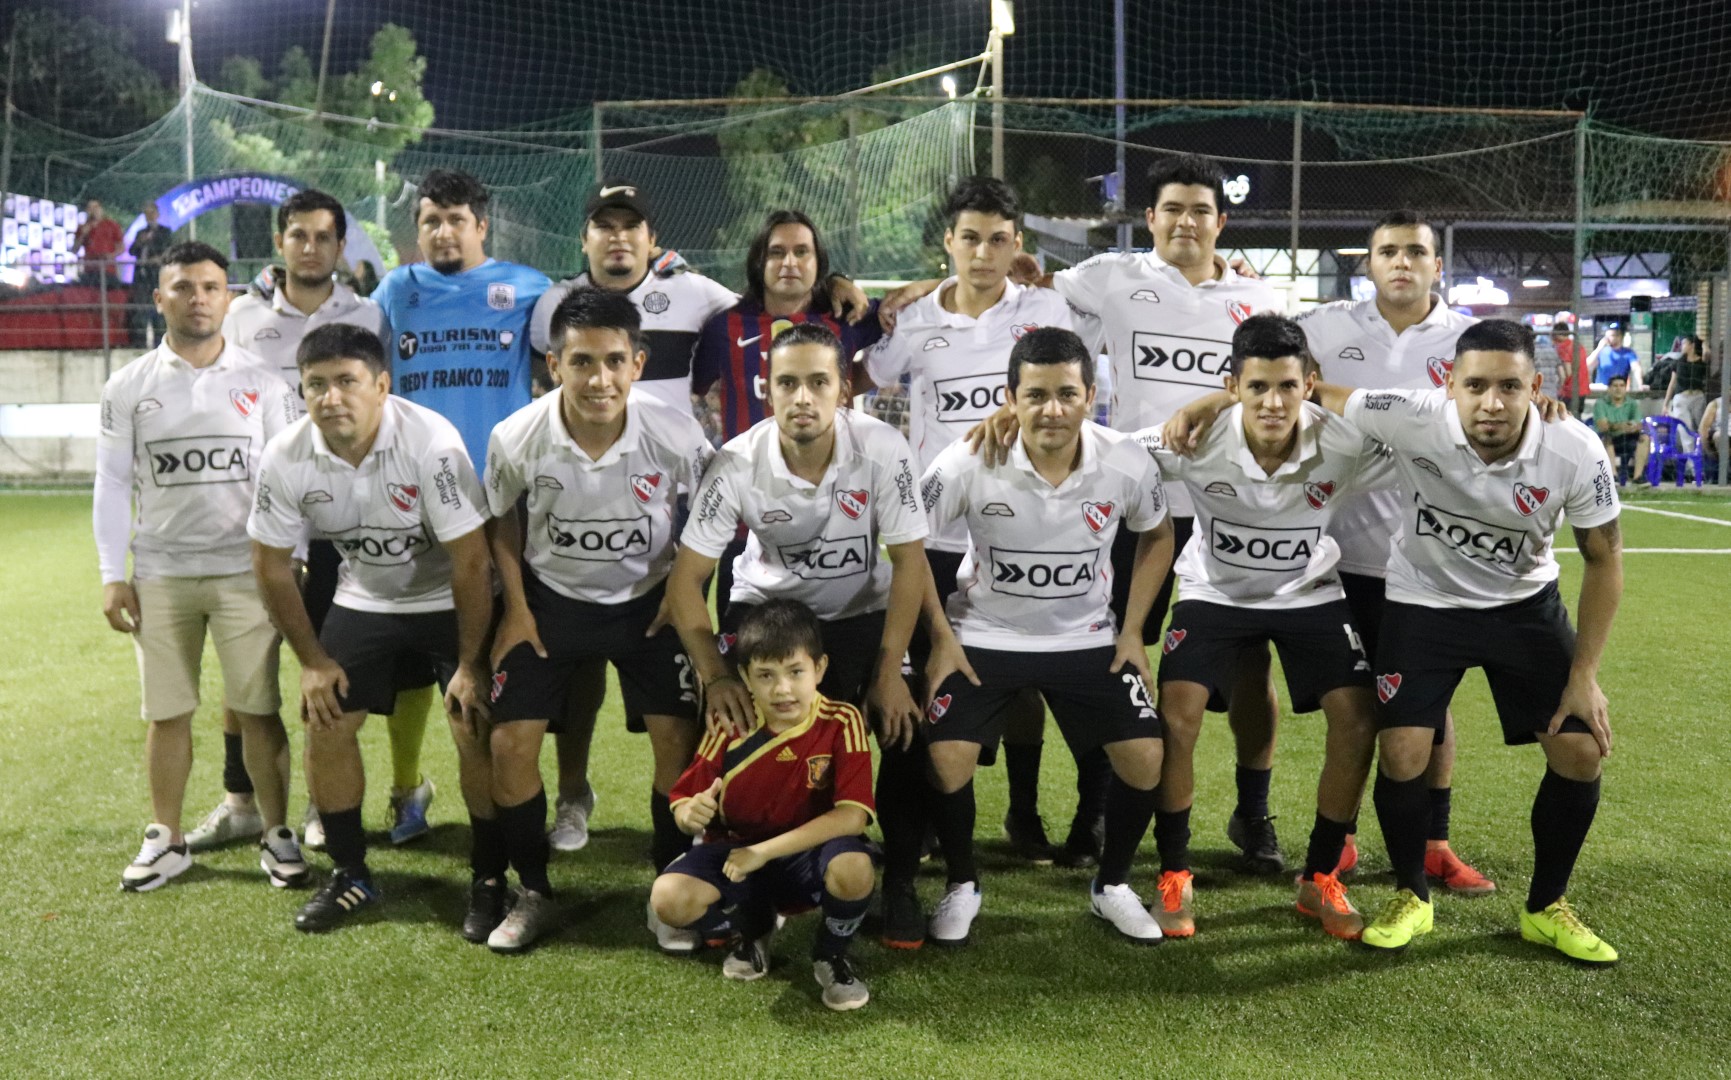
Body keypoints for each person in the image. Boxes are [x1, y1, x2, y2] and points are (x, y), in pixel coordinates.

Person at [949, 154, 1290, 875]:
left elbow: (1285, 379)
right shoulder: (1108, 276)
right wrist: (929, 289)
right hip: (1131, 506)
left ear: (1221, 222)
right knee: (1106, 651)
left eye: (1200, 210)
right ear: (1151, 218)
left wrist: (1214, 400)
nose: (1186, 222)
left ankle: (1253, 811)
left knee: (1249, 662)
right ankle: (1095, 812)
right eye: (1173, 209)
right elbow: (1011, 285)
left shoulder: (1259, 299)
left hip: (1231, 509)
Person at [1306, 319, 1623, 964]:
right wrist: (1210, 404)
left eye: (1510, 387)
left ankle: (1545, 907)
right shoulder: (1411, 414)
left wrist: (1584, 675)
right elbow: (1318, 392)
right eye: (1475, 385)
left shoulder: (1575, 449)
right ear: (1449, 384)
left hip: (1523, 607)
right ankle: (1411, 894)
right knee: (1402, 750)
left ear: (1536, 388)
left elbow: (1604, 559)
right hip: (1424, 604)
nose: (1492, 402)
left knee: (1581, 751)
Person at [667, 321, 942, 952]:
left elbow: (909, 563)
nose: (803, 397)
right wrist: (716, 675)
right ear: (767, 390)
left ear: (843, 389)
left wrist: (889, 672)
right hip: (767, 611)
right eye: (788, 383)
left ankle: (898, 879)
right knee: (738, 724)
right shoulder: (736, 460)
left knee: (903, 727)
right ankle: (735, 871)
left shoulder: (883, 448)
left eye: (819, 382)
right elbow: (686, 584)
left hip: (859, 612)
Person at [918, 326, 1174, 944]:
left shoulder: (1125, 461)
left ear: (1091, 397)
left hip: (1087, 638)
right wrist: (942, 637)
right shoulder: (964, 461)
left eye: (1066, 394)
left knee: (1146, 754)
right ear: (1010, 398)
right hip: (985, 634)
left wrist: (1132, 630)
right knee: (945, 757)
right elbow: (907, 544)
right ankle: (962, 883)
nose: (1051, 410)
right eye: (1035, 395)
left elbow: (1159, 535)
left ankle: (1112, 885)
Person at [1138, 315, 1390, 940]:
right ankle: (1174, 874)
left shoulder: (1344, 442)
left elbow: (1437, 435)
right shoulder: (1193, 437)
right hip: (1215, 592)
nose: (1273, 403)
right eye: (1256, 388)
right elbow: (1100, 451)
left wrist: (1542, 414)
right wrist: (1011, 422)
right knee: (1177, 714)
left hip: (1309, 592)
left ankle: (1321, 877)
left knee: (1359, 717)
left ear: (1310, 384)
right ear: (1232, 387)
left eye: (1286, 386)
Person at [478, 287, 712, 953]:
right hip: (550, 604)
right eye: (581, 362)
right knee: (509, 744)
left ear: (637, 363)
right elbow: (500, 517)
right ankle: (532, 890)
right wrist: (516, 607)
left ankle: (670, 886)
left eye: (613, 361)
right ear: (555, 365)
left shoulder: (675, 431)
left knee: (677, 738)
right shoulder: (516, 435)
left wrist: (682, 588)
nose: (599, 379)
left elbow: (712, 507)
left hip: (648, 602)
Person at [863, 177, 1084, 873]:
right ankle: (928, 818)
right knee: (928, 668)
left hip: (1022, 523)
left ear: (1016, 245)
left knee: (1022, 675)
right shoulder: (916, 321)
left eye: (997, 240)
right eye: (970, 239)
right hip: (935, 531)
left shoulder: (1046, 308)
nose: (983, 253)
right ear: (949, 243)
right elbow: (872, 375)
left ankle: (1023, 811)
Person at [248, 323, 496, 934]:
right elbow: (270, 566)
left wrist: (470, 665)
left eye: (347, 382)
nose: (331, 397)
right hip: (366, 598)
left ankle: (491, 877)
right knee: (326, 720)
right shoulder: (285, 455)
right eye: (316, 385)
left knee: (473, 724)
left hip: (447, 597)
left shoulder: (431, 442)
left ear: (382, 386)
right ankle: (350, 873)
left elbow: (471, 562)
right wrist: (312, 662)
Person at [217, 189, 432, 854]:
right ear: (279, 243)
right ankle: (246, 797)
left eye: (322, 237)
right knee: (258, 661)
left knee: (376, 663)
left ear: (341, 247)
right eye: (298, 235)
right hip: (270, 517)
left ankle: (389, 790)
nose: (309, 248)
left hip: (350, 519)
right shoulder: (242, 315)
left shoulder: (367, 313)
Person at [1286, 210, 1495, 894]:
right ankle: (1341, 839)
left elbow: (1514, 397)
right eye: (1387, 251)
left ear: (1437, 264)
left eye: (1415, 251)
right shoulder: (1323, 328)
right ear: (1368, 263)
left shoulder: (1469, 340)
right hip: (1341, 556)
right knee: (1352, 709)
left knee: (1429, 708)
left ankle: (1434, 843)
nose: (1401, 262)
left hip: (1432, 560)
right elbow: (1256, 358)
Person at [94, 240, 304, 892]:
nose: (198, 299)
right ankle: (167, 837)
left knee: (258, 708)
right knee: (167, 713)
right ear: (160, 299)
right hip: (160, 575)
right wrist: (112, 573)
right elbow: (112, 482)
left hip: (245, 573)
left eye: (211, 287)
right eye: (183, 287)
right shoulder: (128, 386)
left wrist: (292, 558)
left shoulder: (263, 383)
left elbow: (288, 478)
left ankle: (276, 832)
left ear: (227, 297)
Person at [369, 169, 552, 843]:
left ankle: (518, 806)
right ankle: (407, 790)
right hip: (409, 504)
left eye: (455, 220)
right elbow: (347, 346)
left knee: (499, 667)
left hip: (497, 508)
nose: (443, 232)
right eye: (430, 221)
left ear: (481, 226)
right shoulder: (396, 290)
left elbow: (593, 325)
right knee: (410, 668)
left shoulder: (527, 288)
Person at [650, 600, 879, 1011]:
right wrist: (688, 813)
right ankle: (754, 929)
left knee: (855, 867)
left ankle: (831, 954)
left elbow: (853, 816)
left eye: (796, 672)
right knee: (669, 899)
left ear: (820, 669)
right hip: (738, 851)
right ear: (745, 677)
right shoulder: (732, 723)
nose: (782, 689)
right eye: (766, 675)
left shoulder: (842, 721)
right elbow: (684, 801)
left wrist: (763, 852)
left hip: (809, 853)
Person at [126, 203, 172, 347]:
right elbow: (131, 251)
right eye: (147, 214)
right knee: (141, 310)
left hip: (156, 276)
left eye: (151, 213)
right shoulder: (141, 233)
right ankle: (140, 342)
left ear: (157, 214)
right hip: (141, 277)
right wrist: (140, 242)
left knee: (158, 311)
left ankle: (160, 342)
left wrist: (158, 259)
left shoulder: (165, 232)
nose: (149, 216)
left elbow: (169, 250)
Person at [1593, 374, 1647, 485]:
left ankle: (1638, 477)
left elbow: (1638, 425)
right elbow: (1603, 426)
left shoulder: (1632, 403)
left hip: (1627, 438)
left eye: (1622, 386)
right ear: (1609, 388)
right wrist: (1623, 425)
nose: (1618, 389)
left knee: (1644, 438)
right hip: (1609, 438)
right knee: (1607, 438)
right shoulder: (1601, 403)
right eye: (1615, 386)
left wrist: (1624, 426)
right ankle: (1613, 476)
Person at [75, 199, 125, 287]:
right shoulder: (83, 227)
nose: (93, 210)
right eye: (90, 208)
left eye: (96, 207)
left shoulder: (111, 225)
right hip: (90, 269)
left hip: (108, 269)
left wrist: (111, 256)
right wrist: (82, 235)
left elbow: (122, 247)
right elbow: (74, 250)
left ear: (101, 209)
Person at [1664, 335, 1710, 431]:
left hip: (1697, 398)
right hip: (1681, 397)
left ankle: (1700, 441)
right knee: (1684, 427)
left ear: (1692, 345)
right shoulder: (1678, 362)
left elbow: (1707, 354)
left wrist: (1704, 344)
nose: (1682, 346)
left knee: (1701, 427)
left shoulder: (1701, 362)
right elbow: (1672, 384)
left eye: (1684, 343)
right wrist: (1665, 404)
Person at [1551, 319, 1591, 415]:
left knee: (1564, 418)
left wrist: (1559, 388)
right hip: (1582, 389)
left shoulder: (1562, 347)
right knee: (1577, 418)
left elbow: (1567, 373)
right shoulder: (1578, 346)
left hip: (1568, 391)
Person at [1587, 323, 1641, 390]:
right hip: (1602, 389)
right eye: (1606, 336)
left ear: (1620, 337)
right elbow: (1588, 366)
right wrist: (1599, 348)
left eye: (1611, 336)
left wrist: (1640, 385)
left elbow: (1636, 368)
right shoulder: (1601, 352)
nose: (1607, 339)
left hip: (1618, 390)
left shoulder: (1629, 353)